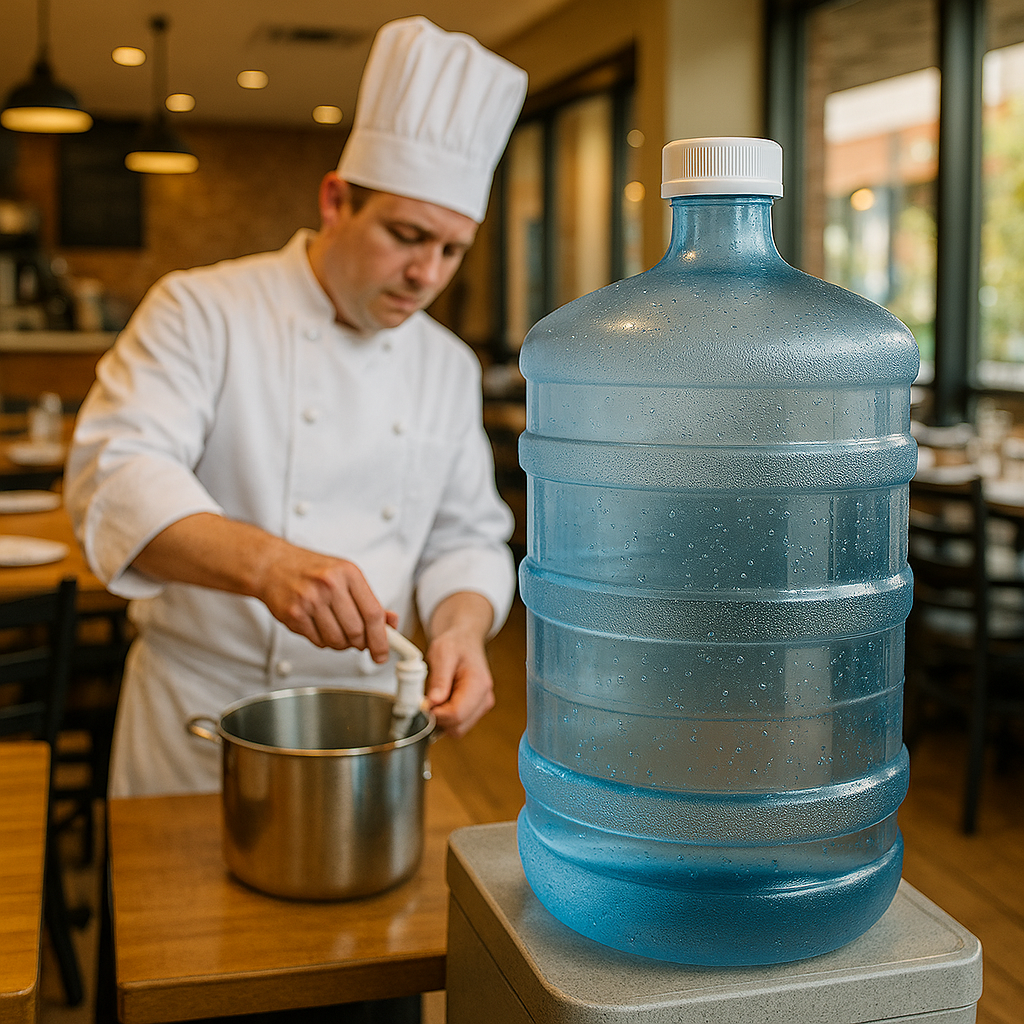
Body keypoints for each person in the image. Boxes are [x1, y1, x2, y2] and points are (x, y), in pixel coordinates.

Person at [65, 16, 528, 798]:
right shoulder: (201, 309)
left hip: (370, 726)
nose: (426, 274)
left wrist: (460, 627)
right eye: (407, 235)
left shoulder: (444, 365)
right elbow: (117, 477)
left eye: (452, 250)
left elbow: (466, 534)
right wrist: (269, 565)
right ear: (336, 199)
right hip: (200, 716)